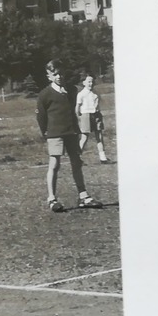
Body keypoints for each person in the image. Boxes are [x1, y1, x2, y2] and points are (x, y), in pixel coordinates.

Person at [36, 59, 102, 212]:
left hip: (71, 132)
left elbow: (74, 111)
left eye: (61, 73)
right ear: (49, 76)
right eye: (55, 74)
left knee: (76, 163)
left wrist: (77, 129)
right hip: (54, 134)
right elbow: (41, 116)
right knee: (55, 164)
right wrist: (45, 132)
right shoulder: (45, 94)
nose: (59, 76)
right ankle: (52, 198)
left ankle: (83, 195)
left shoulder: (71, 90)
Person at [76, 74, 110, 163]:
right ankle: (77, 158)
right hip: (85, 115)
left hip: (96, 114)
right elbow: (77, 107)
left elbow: (98, 104)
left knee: (99, 136)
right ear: (84, 83)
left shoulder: (96, 93)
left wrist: (98, 113)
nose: (91, 83)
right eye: (89, 82)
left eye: (92, 81)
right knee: (84, 137)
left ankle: (103, 157)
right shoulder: (81, 94)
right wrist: (79, 117)